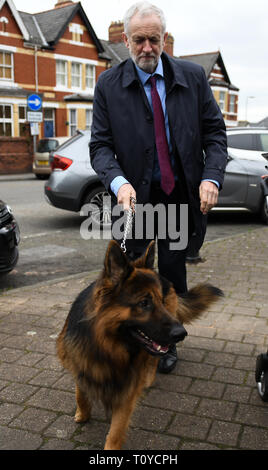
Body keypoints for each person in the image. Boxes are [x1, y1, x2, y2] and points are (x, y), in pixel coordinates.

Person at [89, 1, 228, 373]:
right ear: (125, 40)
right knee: (132, 279)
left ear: (164, 39)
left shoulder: (193, 77)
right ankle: (130, 340)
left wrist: (211, 177)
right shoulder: (108, 85)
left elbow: (215, 134)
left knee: (170, 271)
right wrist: (118, 183)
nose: (147, 48)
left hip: (179, 196)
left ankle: (166, 343)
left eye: (154, 39)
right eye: (139, 40)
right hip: (135, 203)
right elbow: (99, 145)